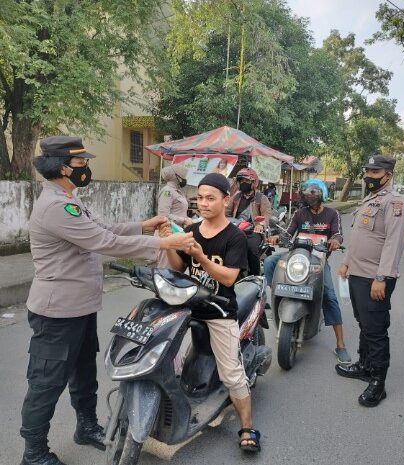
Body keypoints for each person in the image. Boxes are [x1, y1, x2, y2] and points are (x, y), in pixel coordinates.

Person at [20, 136, 194, 465]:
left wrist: (145, 225)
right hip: (57, 313)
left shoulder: (69, 198)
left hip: (79, 308)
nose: (86, 167)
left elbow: (106, 227)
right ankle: (34, 453)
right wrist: (163, 242)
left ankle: (86, 427)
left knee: (84, 373)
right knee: (46, 382)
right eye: (81, 162)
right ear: (62, 167)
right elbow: (105, 241)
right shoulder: (57, 206)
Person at [163, 172, 262, 453]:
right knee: (168, 358)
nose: (203, 204)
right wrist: (171, 242)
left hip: (219, 310)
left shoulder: (235, 237)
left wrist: (201, 257)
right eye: (200, 198)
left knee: (232, 374)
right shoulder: (192, 230)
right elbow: (177, 268)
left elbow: (229, 278)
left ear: (225, 200)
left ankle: (247, 426)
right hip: (190, 305)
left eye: (210, 198)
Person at [336, 155, 404, 407]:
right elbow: (358, 237)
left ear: (387, 175)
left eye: (374, 172)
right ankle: (364, 365)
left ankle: (378, 381)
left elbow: (393, 243)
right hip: (357, 274)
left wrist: (382, 277)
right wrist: (346, 262)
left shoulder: (394, 202)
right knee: (364, 323)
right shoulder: (369, 199)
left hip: (375, 278)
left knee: (376, 330)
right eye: (367, 170)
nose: (368, 175)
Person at [264, 179, 351, 364]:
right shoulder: (299, 213)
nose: (309, 195)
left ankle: (341, 344)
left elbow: (338, 234)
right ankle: (276, 298)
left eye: (313, 192)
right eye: (306, 192)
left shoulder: (332, 213)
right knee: (271, 262)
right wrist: (277, 237)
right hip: (297, 256)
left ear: (321, 195)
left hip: (318, 260)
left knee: (329, 295)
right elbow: (288, 233)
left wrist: (335, 241)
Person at [226, 167, 272, 276]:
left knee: (251, 249)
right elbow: (226, 212)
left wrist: (261, 224)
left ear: (253, 182)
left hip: (253, 231)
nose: (243, 183)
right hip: (236, 228)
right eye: (241, 181)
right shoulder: (236, 197)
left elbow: (267, 214)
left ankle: (254, 275)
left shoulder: (261, 198)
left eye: (246, 181)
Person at [156, 164, 193, 267]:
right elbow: (163, 215)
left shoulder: (178, 191)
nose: (185, 179)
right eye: (183, 175)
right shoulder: (167, 192)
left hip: (177, 231)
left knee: (176, 264)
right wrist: (184, 220)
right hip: (168, 232)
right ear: (176, 176)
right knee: (166, 265)